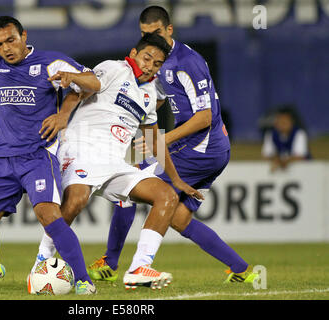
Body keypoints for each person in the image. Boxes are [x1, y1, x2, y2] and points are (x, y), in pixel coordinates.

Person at [83, 6, 258, 284]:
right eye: (144, 35)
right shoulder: (158, 62)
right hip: (210, 148)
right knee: (178, 218)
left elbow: (204, 116)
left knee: (130, 186)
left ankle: (113, 264)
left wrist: (162, 139)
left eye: (155, 33)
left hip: (202, 147)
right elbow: (157, 99)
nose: (151, 41)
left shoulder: (187, 62)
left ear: (169, 30)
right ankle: (243, 271)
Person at [32, 33, 205, 290]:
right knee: (77, 200)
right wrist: (62, 117)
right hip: (82, 148)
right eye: (147, 58)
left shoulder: (149, 94)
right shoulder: (114, 68)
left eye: (157, 63)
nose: (150, 66)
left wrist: (177, 180)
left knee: (166, 196)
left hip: (115, 162)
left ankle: (138, 267)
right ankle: (42, 262)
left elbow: (153, 139)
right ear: (134, 53)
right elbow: (79, 90)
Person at [0, 16, 98, 295]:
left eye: (11, 40)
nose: (6, 48)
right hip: (2, 159)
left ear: (23, 36)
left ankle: (82, 280)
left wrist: (64, 110)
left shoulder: (50, 63)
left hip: (38, 155)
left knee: (49, 215)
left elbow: (92, 84)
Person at [262, 106, 311, 172]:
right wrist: (276, 160)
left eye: (285, 121)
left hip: (305, 170)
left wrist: (281, 162)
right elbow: (266, 155)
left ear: (291, 122)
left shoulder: (299, 133)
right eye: (280, 121)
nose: (282, 124)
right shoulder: (271, 134)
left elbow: (300, 156)